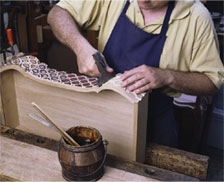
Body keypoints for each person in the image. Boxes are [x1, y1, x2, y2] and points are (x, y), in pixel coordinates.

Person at [47, 0, 224, 147]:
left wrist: (166, 76)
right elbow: (57, 13)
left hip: (154, 125)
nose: (143, 0)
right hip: (103, 113)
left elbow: (211, 82)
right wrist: (81, 47)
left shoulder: (196, 17)